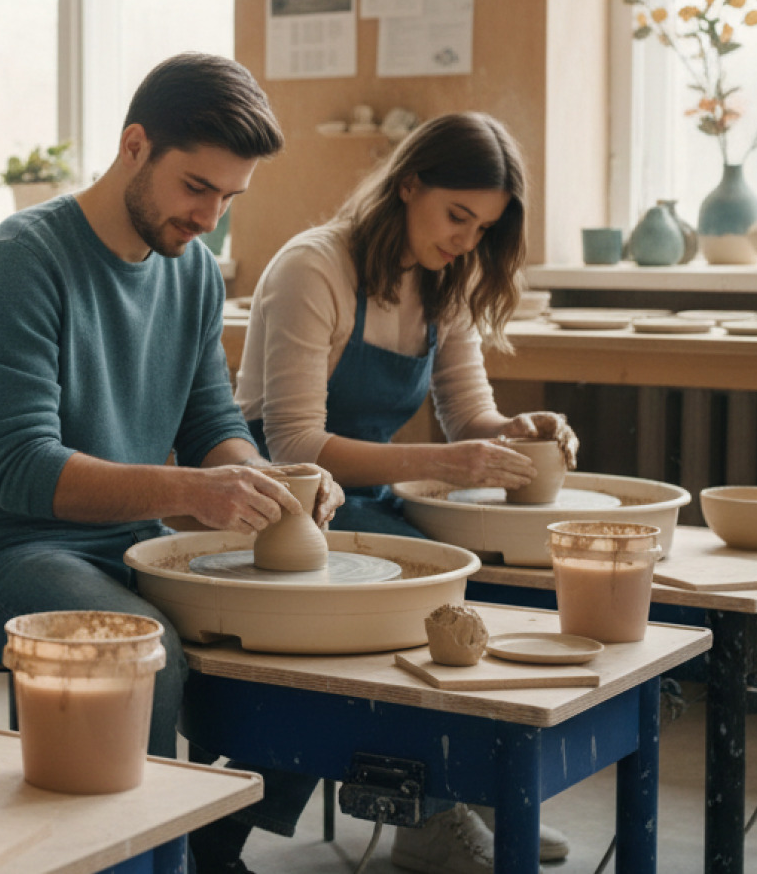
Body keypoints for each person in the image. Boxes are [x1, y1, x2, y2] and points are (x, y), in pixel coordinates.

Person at [0, 53, 341, 864]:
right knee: (139, 648)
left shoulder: (189, 270)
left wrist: (263, 481)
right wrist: (201, 491)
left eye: (229, 198)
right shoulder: (22, 261)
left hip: (128, 540)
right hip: (2, 546)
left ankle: (209, 846)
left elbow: (209, 422)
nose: (211, 218)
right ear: (134, 146)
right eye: (197, 188)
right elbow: (22, 469)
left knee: (311, 631)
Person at [227, 111, 579, 873]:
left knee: (465, 576)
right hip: (278, 505)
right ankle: (431, 807)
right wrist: (448, 462)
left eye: (482, 228)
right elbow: (295, 446)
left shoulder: (442, 281)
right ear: (408, 184)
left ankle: (464, 789)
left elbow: (468, 412)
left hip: (362, 496)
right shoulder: (313, 268)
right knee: (415, 585)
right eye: (457, 215)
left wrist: (518, 428)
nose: (465, 240)